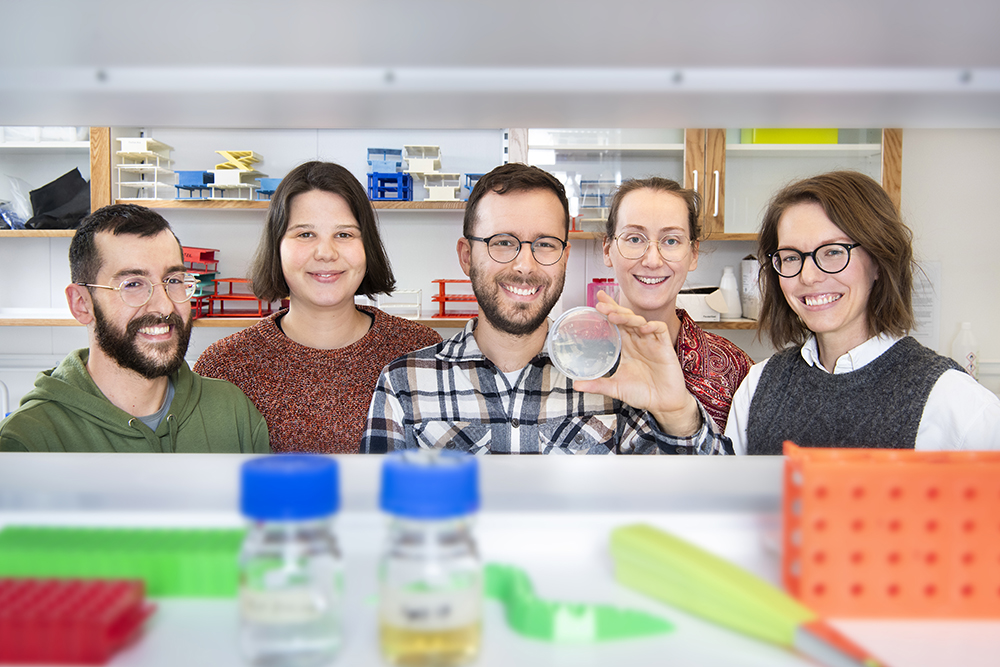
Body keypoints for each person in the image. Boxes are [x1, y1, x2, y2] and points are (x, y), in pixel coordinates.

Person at [361, 163, 730, 455]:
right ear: (466, 256)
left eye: (545, 244)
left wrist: (678, 414)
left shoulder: (609, 377)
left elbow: (685, 511)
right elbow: (379, 528)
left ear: (565, 258)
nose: (525, 265)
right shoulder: (404, 383)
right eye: (502, 242)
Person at [652, 170, 1000, 454]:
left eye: (832, 252)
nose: (808, 276)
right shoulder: (758, 386)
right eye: (790, 257)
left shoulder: (955, 401)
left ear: (879, 260)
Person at [195, 161, 441, 453]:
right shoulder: (224, 366)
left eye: (344, 234)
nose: (326, 253)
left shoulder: (421, 352)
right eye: (305, 234)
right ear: (277, 246)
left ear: (368, 246)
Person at [0, 204, 270, 453]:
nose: (164, 306)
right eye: (132, 284)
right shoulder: (27, 440)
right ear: (81, 304)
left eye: (173, 280)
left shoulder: (233, 412)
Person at [602, 177, 751, 431]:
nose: (652, 260)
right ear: (607, 250)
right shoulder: (573, 357)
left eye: (671, 241)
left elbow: (744, 468)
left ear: (693, 254)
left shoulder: (735, 370)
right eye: (634, 239)